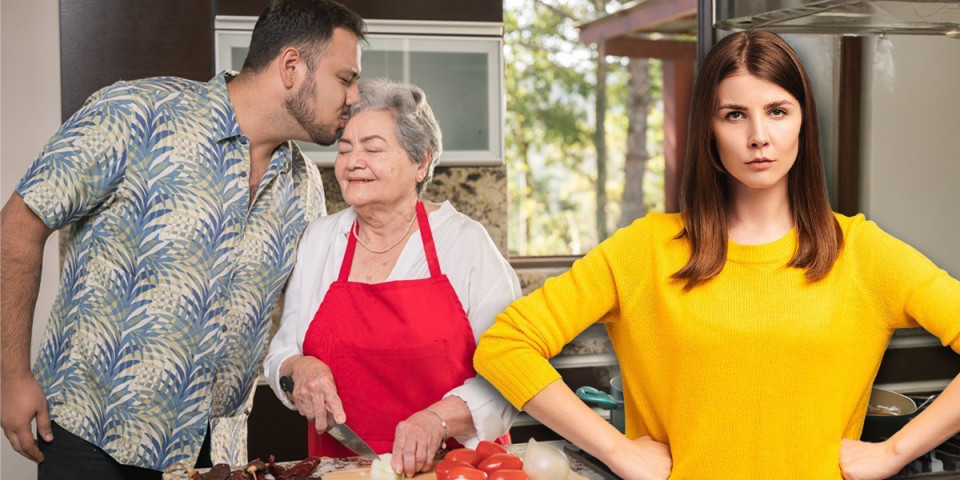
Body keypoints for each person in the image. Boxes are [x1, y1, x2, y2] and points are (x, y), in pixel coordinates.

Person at [474, 29, 960, 480]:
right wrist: (617, 450)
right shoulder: (645, 250)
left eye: (777, 111)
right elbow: (505, 344)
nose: (758, 137)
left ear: (803, 124)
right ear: (709, 130)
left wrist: (895, 452)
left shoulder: (863, 253)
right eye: (734, 114)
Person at [0, 1, 365, 478]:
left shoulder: (304, 186)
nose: (355, 96)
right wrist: (12, 376)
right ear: (292, 67)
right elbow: (20, 224)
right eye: (346, 78)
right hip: (93, 437)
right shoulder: (136, 114)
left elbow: (300, 317)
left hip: (214, 455)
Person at [264, 78, 519, 477]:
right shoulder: (321, 239)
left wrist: (438, 420)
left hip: (455, 468)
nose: (352, 162)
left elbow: (511, 374)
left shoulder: (465, 243)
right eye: (345, 149)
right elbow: (280, 354)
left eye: (373, 148)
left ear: (421, 162)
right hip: (345, 469)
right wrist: (300, 369)